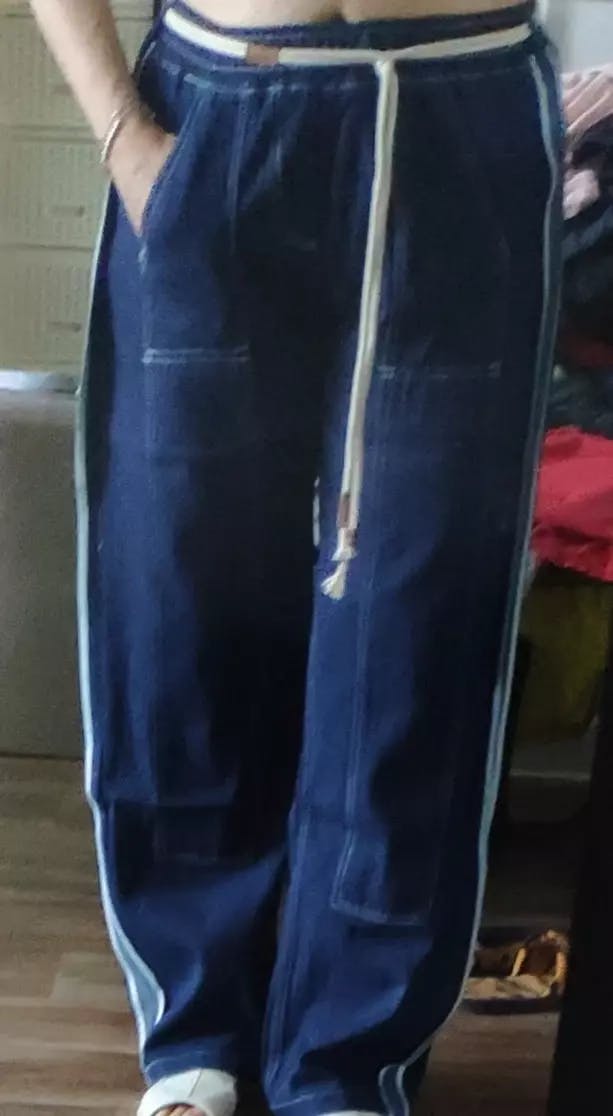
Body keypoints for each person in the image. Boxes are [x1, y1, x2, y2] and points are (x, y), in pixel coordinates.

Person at [28, 2, 562, 1115]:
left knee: (417, 631)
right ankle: (195, 1037)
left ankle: (346, 1068)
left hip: (459, 109)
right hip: (215, 111)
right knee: (180, 603)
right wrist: (124, 135)